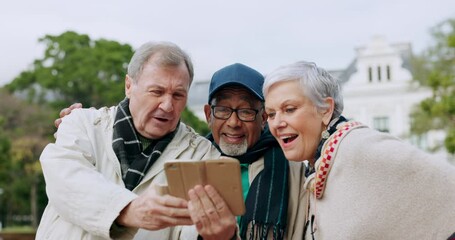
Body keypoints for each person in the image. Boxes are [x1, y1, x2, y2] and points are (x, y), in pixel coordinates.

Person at [55, 63, 308, 240]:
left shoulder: (293, 166)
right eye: (223, 111)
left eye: (245, 111)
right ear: (209, 115)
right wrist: (84, 125)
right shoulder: (189, 158)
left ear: (263, 117)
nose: (233, 122)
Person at [37, 41, 222, 240]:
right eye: (157, 92)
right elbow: (66, 181)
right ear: (128, 86)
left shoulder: (201, 154)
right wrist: (127, 209)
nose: (168, 106)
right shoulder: (83, 124)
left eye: (178, 95)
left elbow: (193, 228)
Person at [262, 60, 455, 239]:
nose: (277, 123)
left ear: (326, 109)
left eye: (289, 109)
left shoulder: (358, 146)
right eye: (271, 114)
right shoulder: (320, 164)